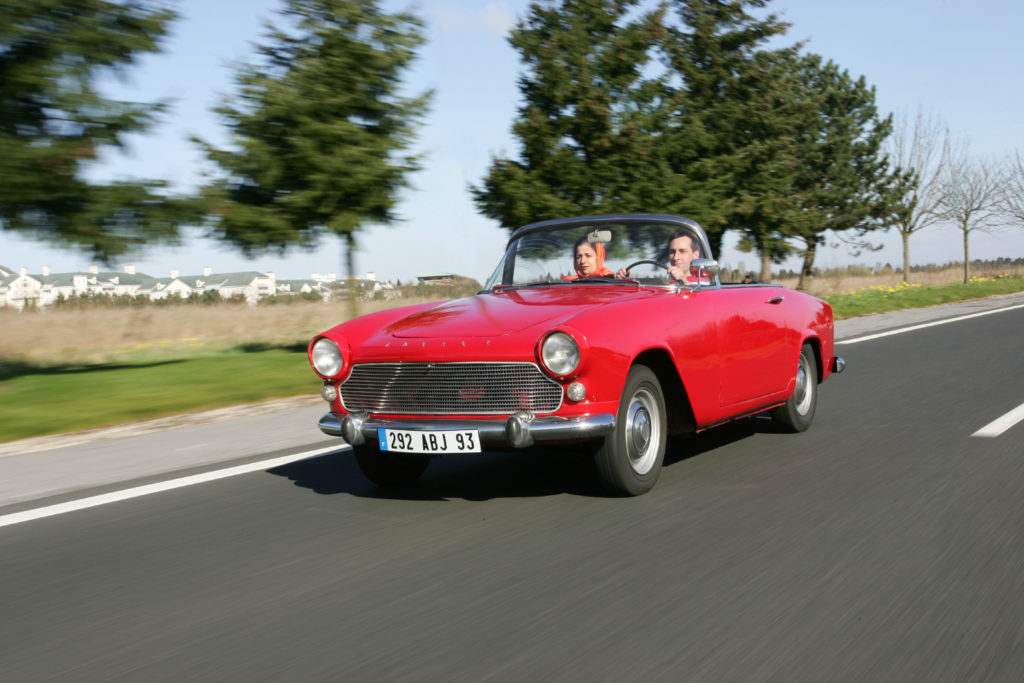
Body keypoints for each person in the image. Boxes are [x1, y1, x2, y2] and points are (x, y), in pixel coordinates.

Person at [615, 228, 703, 282]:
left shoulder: (702, 285)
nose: (676, 257)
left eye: (682, 251)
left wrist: (683, 280)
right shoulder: (669, 284)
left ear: (696, 255)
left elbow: (697, 297)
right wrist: (627, 280)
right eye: (672, 252)